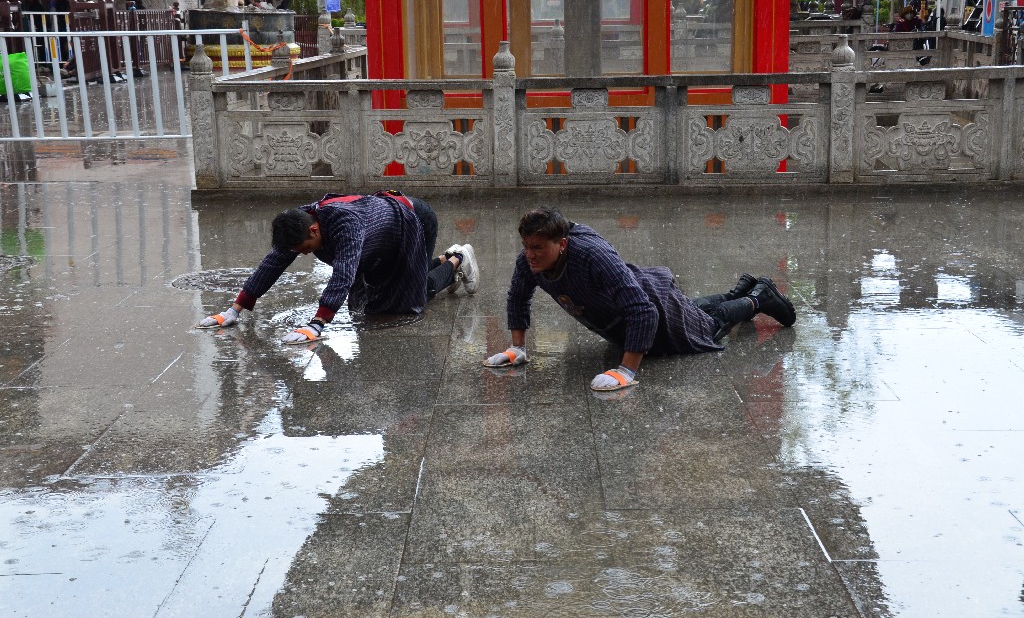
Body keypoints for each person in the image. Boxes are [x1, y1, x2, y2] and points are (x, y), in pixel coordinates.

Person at [483, 207, 795, 391]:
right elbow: (518, 296)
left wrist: (626, 371)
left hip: (652, 303)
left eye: (538, 247)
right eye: (526, 245)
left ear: (562, 243)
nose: (530, 254)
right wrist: (517, 348)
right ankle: (735, 291)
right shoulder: (529, 261)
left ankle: (758, 297)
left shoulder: (591, 255)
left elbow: (643, 311)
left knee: (710, 325)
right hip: (633, 305)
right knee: (693, 311)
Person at [197, 191, 479, 343]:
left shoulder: (346, 224)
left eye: (306, 250)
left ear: (315, 230)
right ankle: (444, 258)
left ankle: (458, 260)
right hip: (382, 239)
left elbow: (344, 272)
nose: (305, 255)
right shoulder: (300, 222)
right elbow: (274, 262)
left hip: (414, 221)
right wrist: (235, 309)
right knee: (371, 299)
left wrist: (318, 323)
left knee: (411, 297)